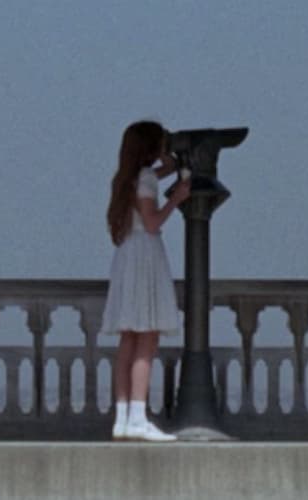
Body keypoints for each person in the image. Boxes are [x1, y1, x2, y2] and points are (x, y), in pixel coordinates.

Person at [100, 120, 191, 442]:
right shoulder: (146, 179)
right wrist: (176, 199)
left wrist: (168, 164)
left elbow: (154, 177)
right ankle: (138, 417)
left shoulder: (126, 179)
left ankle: (123, 417)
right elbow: (152, 222)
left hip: (128, 254)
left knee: (128, 338)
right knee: (147, 337)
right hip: (145, 255)